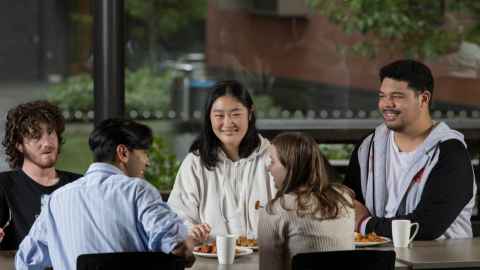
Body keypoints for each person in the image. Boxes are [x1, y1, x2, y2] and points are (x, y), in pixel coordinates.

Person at [15, 118, 209, 270]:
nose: (147, 162)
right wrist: (190, 245)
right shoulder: (138, 191)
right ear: (123, 153)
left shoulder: (56, 200)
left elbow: (26, 260)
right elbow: (177, 247)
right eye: (144, 153)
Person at [344, 59, 477, 240]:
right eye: (382, 96)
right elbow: (349, 206)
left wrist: (364, 223)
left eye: (397, 96)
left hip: (439, 262)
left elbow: (426, 226)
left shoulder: (450, 153)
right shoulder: (368, 147)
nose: (386, 104)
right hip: (382, 260)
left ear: (423, 99)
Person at [168, 80, 276, 238]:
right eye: (219, 115)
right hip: (209, 258)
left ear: (250, 113)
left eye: (236, 114)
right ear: (209, 117)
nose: (227, 123)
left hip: (265, 259)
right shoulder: (195, 163)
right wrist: (191, 230)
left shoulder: (273, 158)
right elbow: (178, 215)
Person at [258, 132, 354, 270]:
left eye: (272, 161)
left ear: (290, 167)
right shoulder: (344, 198)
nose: (268, 168)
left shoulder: (276, 210)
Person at [0, 100, 81, 249]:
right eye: (36, 136)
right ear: (19, 145)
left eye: (51, 134)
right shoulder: (4, 186)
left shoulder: (80, 185)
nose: (47, 143)